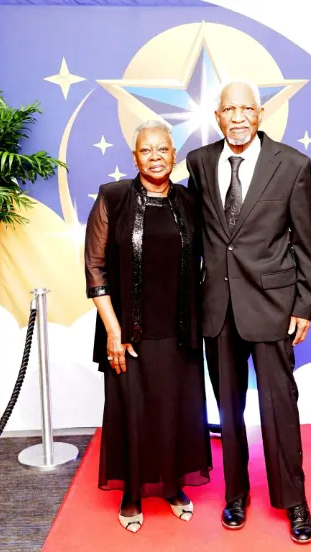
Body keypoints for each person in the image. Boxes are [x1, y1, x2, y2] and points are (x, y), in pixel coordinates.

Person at [186, 82, 311, 544]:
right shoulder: (199, 162)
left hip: (272, 306)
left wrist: (304, 305)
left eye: (247, 109)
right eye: (230, 109)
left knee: (279, 405)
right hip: (217, 308)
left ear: (260, 114)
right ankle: (236, 494)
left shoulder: (293, 164)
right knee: (229, 408)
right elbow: (199, 234)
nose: (238, 117)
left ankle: (294, 499)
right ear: (217, 116)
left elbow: (304, 242)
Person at [85, 120, 211, 533]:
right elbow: (95, 268)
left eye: (162, 149)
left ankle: (172, 485)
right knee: (132, 413)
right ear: (134, 157)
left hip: (180, 331)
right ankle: (132, 492)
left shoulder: (190, 201)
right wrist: (114, 331)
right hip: (127, 333)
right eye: (146, 150)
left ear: (174, 155)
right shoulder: (113, 197)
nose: (155, 157)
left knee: (176, 410)